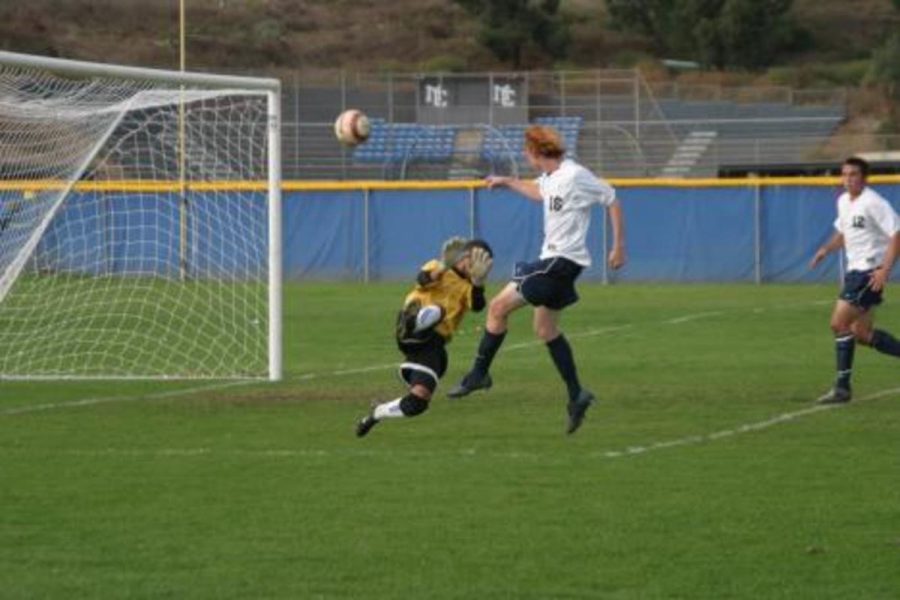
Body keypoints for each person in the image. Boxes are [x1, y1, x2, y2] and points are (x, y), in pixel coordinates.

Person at [447, 125, 626, 434]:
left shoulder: (575, 175)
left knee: (497, 308)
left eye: (526, 151)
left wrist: (618, 245)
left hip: (558, 263)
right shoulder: (553, 178)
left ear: (536, 151)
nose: (524, 155)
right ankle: (576, 394)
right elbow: (538, 192)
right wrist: (507, 181)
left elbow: (611, 198)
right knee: (545, 329)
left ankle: (479, 374)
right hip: (558, 265)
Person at [355, 237, 494, 437]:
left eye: (480, 263)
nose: (472, 265)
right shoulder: (438, 267)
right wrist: (444, 266)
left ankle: (377, 413)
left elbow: (478, 306)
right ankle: (414, 322)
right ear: (462, 256)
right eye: (472, 259)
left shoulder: (468, 287)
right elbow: (422, 279)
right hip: (412, 326)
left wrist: (479, 282)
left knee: (418, 403)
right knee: (437, 311)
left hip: (432, 345)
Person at [810, 156, 900, 404]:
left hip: (868, 274)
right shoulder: (843, 202)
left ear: (864, 178)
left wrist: (885, 270)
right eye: (845, 174)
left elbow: (896, 234)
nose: (848, 179)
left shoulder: (873, 202)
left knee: (838, 324)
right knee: (861, 333)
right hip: (854, 273)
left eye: (853, 174)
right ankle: (842, 388)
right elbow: (844, 232)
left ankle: (842, 388)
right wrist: (826, 249)